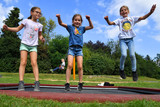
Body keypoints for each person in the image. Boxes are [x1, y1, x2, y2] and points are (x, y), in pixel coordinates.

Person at [104, 4, 156, 81]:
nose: (123, 11)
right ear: (120, 13)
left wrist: (150, 12)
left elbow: (143, 18)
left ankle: (134, 72)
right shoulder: (119, 20)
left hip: (130, 39)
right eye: (122, 10)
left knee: (132, 55)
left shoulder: (132, 18)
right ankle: (121, 70)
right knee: (124, 55)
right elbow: (110, 23)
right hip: (122, 40)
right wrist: (107, 19)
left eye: (125, 10)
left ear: (128, 11)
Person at [3, 7, 45, 91]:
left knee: (34, 63)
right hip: (24, 44)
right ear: (31, 12)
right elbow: (17, 29)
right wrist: (8, 28)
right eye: (37, 12)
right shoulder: (26, 21)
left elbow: (39, 35)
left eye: (40, 13)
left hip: (33, 46)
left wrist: (42, 38)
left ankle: (37, 83)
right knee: (23, 62)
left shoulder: (40, 25)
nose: (38, 14)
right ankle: (21, 83)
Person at [56, 14, 93, 91]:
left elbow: (91, 27)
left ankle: (80, 83)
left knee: (80, 66)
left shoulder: (82, 28)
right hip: (72, 48)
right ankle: (67, 83)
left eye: (79, 20)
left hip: (79, 49)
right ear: (73, 21)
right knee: (69, 65)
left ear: (81, 22)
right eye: (75, 20)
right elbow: (61, 23)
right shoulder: (70, 27)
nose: (77, 21)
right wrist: (59, 17)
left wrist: (89, 19)